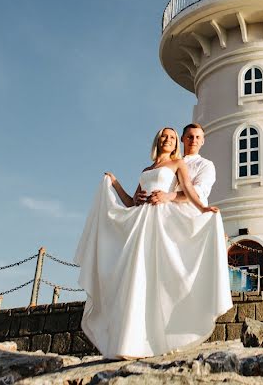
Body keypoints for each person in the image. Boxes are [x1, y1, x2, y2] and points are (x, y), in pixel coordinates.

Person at [75, 125, 233, 359]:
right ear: (159, 140)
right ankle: (128, 341)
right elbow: (130, 201)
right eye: (165, 136)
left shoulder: (182, 165)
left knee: (164, 274)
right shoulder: (147, 169)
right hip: (142, 220)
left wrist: (203, 209)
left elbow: (191, 190)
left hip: (164, 218)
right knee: (135, 275)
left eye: (172, 137)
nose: (168, 139)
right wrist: (115, 183)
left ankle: (163, 336)